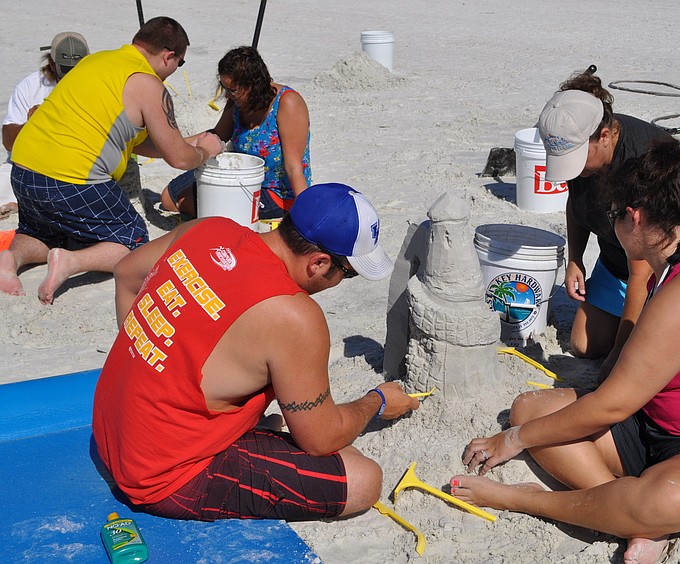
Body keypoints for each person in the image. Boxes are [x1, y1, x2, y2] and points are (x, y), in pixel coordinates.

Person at [451, 138, 680, 564]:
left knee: (663, 499)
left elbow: (611, 405)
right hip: (664, 425)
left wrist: (513, 442)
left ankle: (534, 500)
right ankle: (620, 513)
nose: (611, 229)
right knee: (531, 410)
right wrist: (522, 431)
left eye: (612, 218)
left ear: (634, 219)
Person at [93, 182, 420, 522]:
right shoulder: (293, 316)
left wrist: (153, 357)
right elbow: (320, 439)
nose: (340, 281)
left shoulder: (209, 228)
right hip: (163, 475)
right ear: (320, 263)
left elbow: (125, 274)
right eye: (347, 274)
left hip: (108, 431)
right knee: (363, 478)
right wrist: (377, 402)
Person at [0, 17, 223, 304]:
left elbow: (138, 142)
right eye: (179, 64)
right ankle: (71, 262)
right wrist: (205, 152)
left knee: (42, 231)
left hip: (24, 170)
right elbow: (180, 160)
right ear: (169, 56)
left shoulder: (96, 62)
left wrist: (190, 141)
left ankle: (10, 259)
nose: (175, 71)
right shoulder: (148, 84)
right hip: (70, 179)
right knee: (134, 240)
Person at [537, 71, 680, 378]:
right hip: (618, 255)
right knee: (583, 344)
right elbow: (576, 201)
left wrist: (617, 362)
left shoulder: (640, 162)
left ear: (604, 136)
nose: (574, 169)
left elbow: (641, 271)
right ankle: (640, 324)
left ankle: (658, 319)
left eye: (577, 158)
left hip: (669, 263)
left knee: (643, 359)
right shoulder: (584, 152)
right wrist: (575, 259)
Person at [160, 46, 311, 219]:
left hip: (275, 191)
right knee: (168, 199)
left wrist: (306, 215)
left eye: (232, 90)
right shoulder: (238, 102)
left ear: (253, 86)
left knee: (187, 203)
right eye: (224, 88)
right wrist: (173, 144)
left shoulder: (288, 103)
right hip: (239, 175)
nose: (226, 96)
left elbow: (294, 167)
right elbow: (217, 134)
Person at [1, 32, 90, 219]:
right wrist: (33, 124)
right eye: (66, 69)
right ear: (51, 63)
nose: (71, 75)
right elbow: (9, 142)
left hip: (75, 165)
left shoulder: (96, 84)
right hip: (29, 163)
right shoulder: (30, 86)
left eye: (78, 68)